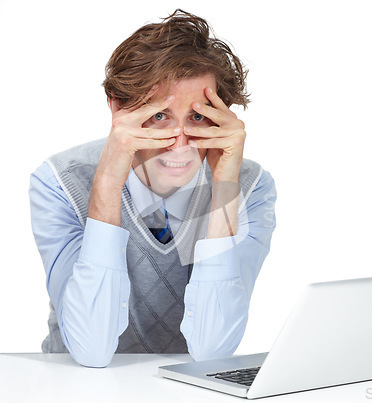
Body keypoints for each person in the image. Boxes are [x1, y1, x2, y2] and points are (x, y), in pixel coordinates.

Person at [29, 9, 276, 368]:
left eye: (198, 117)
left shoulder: (250, 187)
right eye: (159, 116)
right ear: (117, 107)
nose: (179, 144)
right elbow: (91, 350)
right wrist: (108, 184)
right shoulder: (59, 182)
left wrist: (224, 188)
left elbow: (212, 351)